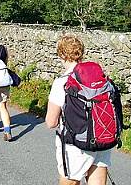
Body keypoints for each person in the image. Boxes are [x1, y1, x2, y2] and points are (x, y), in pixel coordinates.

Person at [45, 35, 110, 185]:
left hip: (76, 143)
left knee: (70, 181)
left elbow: (51, 122)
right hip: (101, 137)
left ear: (61, 54)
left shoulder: (63, 82)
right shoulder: (99, 77)